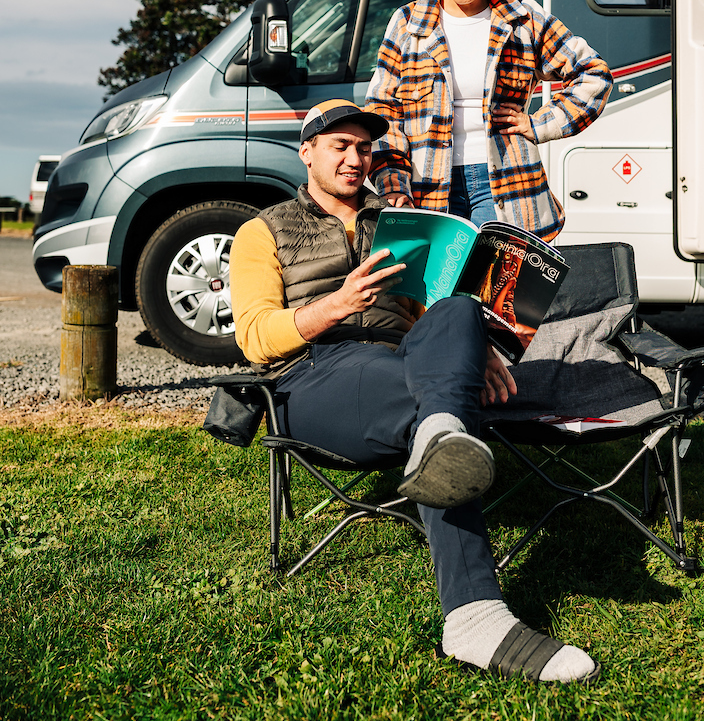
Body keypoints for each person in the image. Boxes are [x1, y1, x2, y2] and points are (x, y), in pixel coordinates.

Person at [230, 99, 600, 685]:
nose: (357, 160)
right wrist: (335, 306)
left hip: (402, 364)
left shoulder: (398, 223)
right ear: (307, 152)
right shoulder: (264, 230)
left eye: (364, 148)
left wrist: (474, 352)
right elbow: (254, 338)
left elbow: (429, 314)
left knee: (457, 309)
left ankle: (471, 606)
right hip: (312, 376)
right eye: (340, 147)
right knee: (439, 412)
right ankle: (473, 601)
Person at [364, 0, 613, 237]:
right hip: (426, 183)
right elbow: (383, 108)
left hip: (504, 180)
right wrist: (393, 182)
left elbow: (593, 74)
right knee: (440, 283)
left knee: (492, 282)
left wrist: (539, 123)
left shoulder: (524, 19)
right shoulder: (408, 23)